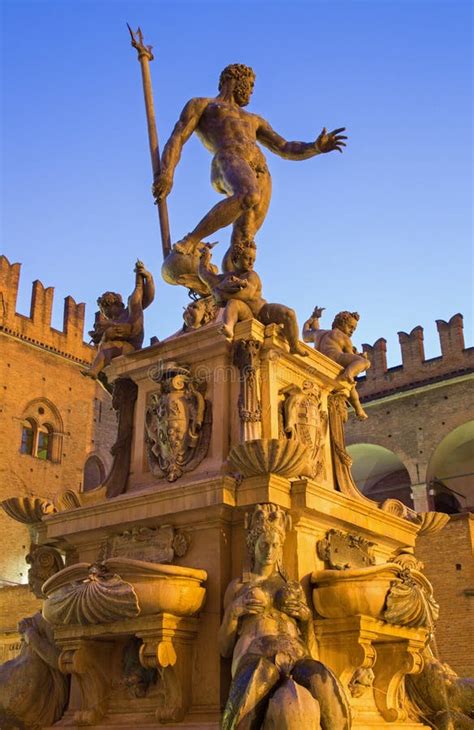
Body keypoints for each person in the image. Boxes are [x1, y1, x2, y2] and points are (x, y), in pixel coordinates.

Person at [153, 64, 346, 269]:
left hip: (260, 170)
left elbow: (285, 147)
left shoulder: (254, 120)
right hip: (228, 158)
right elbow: (177, 138)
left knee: (244, 239)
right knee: (248, 193)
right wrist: (167, 174)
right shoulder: (203, 105)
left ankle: (231, 288)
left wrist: (315, 147)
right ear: (235, 79)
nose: (252, 90)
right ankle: (191, 240)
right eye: (251, 84)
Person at [218, 503, 351, 729]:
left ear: (281, 548)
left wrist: (306, 619)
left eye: (275, 545)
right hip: (256, 656)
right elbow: (224, 647)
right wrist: (236, 610)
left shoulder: (292, 588)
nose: (269, 551)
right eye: (264, 544)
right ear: (253, 545)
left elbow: (311, 649)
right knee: (258, 678)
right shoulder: (239, 587)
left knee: (322, 678)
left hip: (297, 656)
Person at [198, 242, 308, 355]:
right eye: (247, 259)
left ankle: (294, 346)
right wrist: (205, 256)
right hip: (247, 312)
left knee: (289, 314)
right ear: (235, 260)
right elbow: (205, 275)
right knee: (233, 303)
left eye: (253, 259)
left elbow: (246, 295)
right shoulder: (227, 278)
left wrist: (220, 294)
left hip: (263, 311)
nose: (251, 263)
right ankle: (229, 327)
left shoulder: (252, 275)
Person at [82, 260, 155, 379]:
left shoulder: (129, 312)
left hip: (132, 348)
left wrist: (149, 279)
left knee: (107, 348)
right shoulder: (113, 321)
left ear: (112, 304)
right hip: (116, 354)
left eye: (104, 309)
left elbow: (147, 298)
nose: (104, 313)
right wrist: (105, 335)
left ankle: (94, 371)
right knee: (105, 348)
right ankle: (94, 370)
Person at [303, 308, 370, 420]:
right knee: (364, 363)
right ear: (340, 323)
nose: (352, 331)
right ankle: (349, 375)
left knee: (350, 386)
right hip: (336, 358)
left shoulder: (319, 333)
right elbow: (350, 356)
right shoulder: (344, 337)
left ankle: (359, 410)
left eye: (354, 329)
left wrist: (313, 318)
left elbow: (305, 335)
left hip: (320, 361)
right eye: (350, 327)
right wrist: (360, 357)